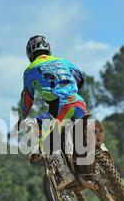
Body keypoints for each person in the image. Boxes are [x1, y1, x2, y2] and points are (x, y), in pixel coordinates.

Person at [18, 35, 89, 164]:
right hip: (79, 102)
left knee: (45, 139)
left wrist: (22, 117)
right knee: (86, 131)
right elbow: (80, 78)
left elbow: (27, 98)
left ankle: (61, 171)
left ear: (29, 53)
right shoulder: (63, 61)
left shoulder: (30, 69)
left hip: (59, 108)